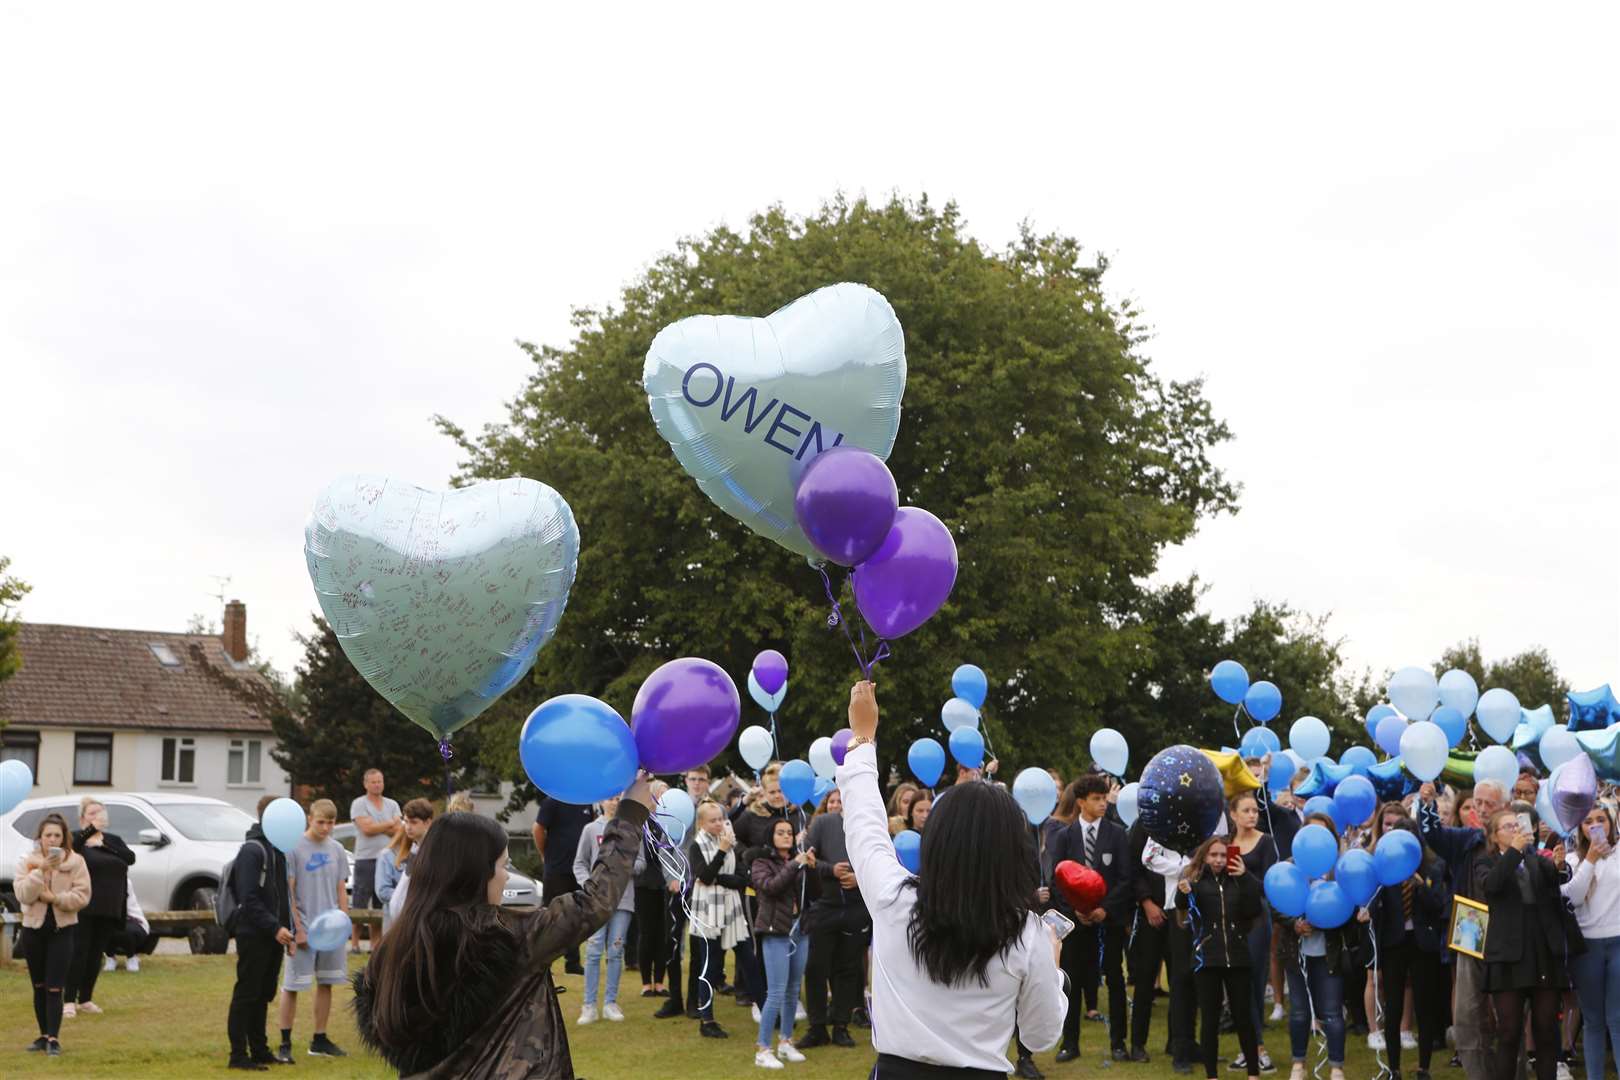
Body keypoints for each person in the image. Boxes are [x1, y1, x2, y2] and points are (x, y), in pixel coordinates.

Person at [836, 681, 1067, 1076]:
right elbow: (1041, 1035)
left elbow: (864, 825)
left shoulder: (895, 900)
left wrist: (863, 738)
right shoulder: (1026, 933)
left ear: (938, 841)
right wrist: (1053, 961)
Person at [354, 774, 654, 1078]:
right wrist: (629, 815)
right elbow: (593, 903)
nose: (506, 876)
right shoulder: (507, 936)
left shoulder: (392, 948)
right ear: (475, 872)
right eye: (501, 865)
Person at [1419, 777, 1507, 1080]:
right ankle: (1478, 1074)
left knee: (1508, 1014)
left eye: (1489, 803)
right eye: (1477, 802)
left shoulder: (1517, 837)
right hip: (1472, 925)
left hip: (1510, 933)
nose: (1481, 809)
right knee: (1469, 1013)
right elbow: (1432, 833)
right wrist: (1428, 804)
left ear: (1503, 806)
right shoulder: (1465, 839)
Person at [1477, 807, 1571, 1080]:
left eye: (1516, 826)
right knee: (1508, 1031)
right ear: (1495, 837)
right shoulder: (1486, 861)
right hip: (1507, 954)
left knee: (1545, 1028)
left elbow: (1556, 880)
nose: (1515, 830)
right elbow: (1492, 886)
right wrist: (1515, 852)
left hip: (1541, 950)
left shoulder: (1534, 860)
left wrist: (1560, 866)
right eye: (1508, 827)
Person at [1047, 771, 1131, 1063]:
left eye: (1105, 798)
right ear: (1081, 802)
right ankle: (1069, 1043)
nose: (1103, 804)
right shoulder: (1064, 837)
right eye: (1096, 799)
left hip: (1108, 923)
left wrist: (1104, 908)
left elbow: (1125, 878)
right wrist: (1076, 912)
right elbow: (1056, 879)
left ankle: (1119, 1043)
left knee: (1116, 981)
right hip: (1076, 924)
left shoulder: (1118, 834)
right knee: (1072, 982)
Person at [1364, 813, 1450, 1080]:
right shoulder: (1383, 871)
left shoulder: (1432, 868)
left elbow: (1438, 906)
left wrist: (1421, 885)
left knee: (1424, 1006)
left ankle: (1424, 1067)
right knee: (1394, 1007)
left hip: (1423, 944)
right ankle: (1394, 1068)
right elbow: (1376, 906)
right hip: (1394, 944)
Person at [1176, 834, 1262, 1080]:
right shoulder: (1195, 879)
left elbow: (1254, 908)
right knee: (1210, 1020)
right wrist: (1183, 891)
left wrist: (1244, 876)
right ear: (1204, 856)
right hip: (1207, 959)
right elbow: (1183, 907)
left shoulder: (1239, 880)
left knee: (1243, 1016)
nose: (1219, 860)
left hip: (1238, 957)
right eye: (1213, 855)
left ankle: (1253, 1073)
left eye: (1223, 855)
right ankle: (1211, 1074)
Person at [1274, 812, 1348, 1080]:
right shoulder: (1290, 867)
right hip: (1296, 953)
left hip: (1329, 952)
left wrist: (1326, 919)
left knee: (1331, 1011)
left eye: (1323, 833)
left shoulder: (1340, 871)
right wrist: (1295, 923)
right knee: (1299, 1011)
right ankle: (1298, 1064)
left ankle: (1337, 1066)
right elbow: (1276, 904)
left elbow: (1346, 908)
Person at [277, 798, 350, 1061]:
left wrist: (343, 921)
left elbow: (341, 887)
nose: (326, 828)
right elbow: (289, 891)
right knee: (292, 986)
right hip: (305, 927)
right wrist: (298, 929)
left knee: (327, 983)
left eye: (331, 823)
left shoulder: (338, 849)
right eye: (321, 822)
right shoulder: (294, 848)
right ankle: (285, 1043)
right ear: (310, 819)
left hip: (330, 929)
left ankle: (319, 1039)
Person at [226, 794, 296, 1071]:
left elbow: (282, 896)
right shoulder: (252, 850)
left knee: (263, 994)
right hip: (253, 933)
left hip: (273, 935)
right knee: (247, 992)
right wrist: (274, 926)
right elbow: (248, 897)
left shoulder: (278, 851)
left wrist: (287, 931)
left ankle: (259, 1049)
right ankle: (237, 1055)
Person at [14, 812, 91, 1057]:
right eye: (48, 835)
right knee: (39, 986)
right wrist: (40, 871)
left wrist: (56, 899)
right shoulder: (27, 861)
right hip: (33, 931)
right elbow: (23, 895)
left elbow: (82, 896)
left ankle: (54, 1039)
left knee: (55, 987)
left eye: (57, 835)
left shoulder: (76, 862)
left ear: (64, 838)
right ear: (40, 837)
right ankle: (43, 1035)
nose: (52, 840)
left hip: (62, 931)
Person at [1126, 818, 1197, 1071]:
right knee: (1145, 978)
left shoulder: (1192, 821)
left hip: (1180, 913)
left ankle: (1180, 1042)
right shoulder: (1146, 823)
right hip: (1152, 912)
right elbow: (1133, 867)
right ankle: (1137, 1043)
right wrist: (1146, 902)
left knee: (1182, 978)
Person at [802, 786, 870, 1052]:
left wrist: (859, 877)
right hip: (825, 906)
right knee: (816, 967)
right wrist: (830, 869)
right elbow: (807, 858)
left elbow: (879, 862)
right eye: (837, 800)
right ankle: (817, 1027)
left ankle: (841, 1026)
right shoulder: (822, 823)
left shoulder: (868, 826)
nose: (842, 803)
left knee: (848, 968)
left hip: (855, 908)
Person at [687, 798, 761, 1039]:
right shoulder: (696, 846)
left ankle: (766, 1007)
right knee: (710, 967)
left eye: (720, 818)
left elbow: (742, 877)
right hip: (708, 913)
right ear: (701, 824)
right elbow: (704, 875)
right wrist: (721, 852)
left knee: (749, 960)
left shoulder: (731, 841)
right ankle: (706, 1020)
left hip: (732, 910)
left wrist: (719, 878)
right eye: (713, 820)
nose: (719, 824)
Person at [572, 794, 644, 1024]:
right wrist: (589, 884)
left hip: (622, 900)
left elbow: (641, 862)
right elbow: (579, 863)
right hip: (596, 900)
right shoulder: (590, 829)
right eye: (610, 798)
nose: (614, 802)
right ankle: (589, 1005)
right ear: (600, 802)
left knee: (615, 951)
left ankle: (610, 1003)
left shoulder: (632, 830)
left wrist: (624, 869)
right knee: (593, 951)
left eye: (618, 798)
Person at [750, 817, 814, 1069]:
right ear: (771, 836)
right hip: (775, 931)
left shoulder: (797, 861)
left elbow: (813, 893)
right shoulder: (760, 862)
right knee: (776, 991)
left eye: (790, 832)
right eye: (781, 832)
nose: (787, 836)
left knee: (793, 989)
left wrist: (812, 866)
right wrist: (794, 866)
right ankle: (762, 1049)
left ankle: (786, 1042)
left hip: (800, 930)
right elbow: (771, 887)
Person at [65, 796, 135, 1017]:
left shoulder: (113, 840)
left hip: (109, 905)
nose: (97, 817)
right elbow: (71, 849)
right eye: (92, 813)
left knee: (96, 953)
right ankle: (68, 1000)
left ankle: (85, 998)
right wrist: (89, 833)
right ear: (83, 817)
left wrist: (103, 844)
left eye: (100, 812)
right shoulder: (77, 838)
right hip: (84, 905)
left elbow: (129, 858)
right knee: (79, 951)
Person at [1565, 803, 1620, 1080]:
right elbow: (1572, 898)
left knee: (1617, 1018)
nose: (1596, 825)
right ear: (1581, 827)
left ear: (1611, 822)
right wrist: (1590, 860)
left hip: (1618, 942)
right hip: (1586, 947)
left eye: (1601, 819)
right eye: (1588, 821)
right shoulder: (1574, 860)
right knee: (1593, 1020)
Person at [1228, 790, 1279, 1072]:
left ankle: (1258, 1047)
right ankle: (1245, 1047)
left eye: (1255, 811)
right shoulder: (1225, 843)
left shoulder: (1266, 843)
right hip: (1230, 921)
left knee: (1254, 983)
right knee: (1236, 986)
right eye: (1245, 811)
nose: (1251, 815)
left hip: (1257, 921)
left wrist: (1244, 874)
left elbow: (1270, 886)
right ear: (1233, 814)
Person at [534, 794, 596, 977]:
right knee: (551, 916)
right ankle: (543, 962)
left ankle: (573, 963)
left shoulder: (585, 801)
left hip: (578, 870)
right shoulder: (551, 801)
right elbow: (537, 829)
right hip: (556, 870)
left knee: (575, 917)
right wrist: (545, 854)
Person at [348, 769, 401, 953]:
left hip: (387, 859)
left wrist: (377, 825)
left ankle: (375, 944)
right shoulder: (359, 804)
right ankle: (354, 943)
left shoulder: (392, 804)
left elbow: (399, 831)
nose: (377, 784)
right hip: (365, 859)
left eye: (380, 781)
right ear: (365, 784)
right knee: (360, 902)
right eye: (373, 782)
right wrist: (388, 823)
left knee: (381, 903)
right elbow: (366, 829)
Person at [375, 797, 433, 935]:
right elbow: (383, 892)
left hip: (423, 925)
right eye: (406, 822)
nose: (408, 827)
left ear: (428, 822)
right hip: (396, 925)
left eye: (413, 822)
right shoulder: (388, 855)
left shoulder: (436, 853)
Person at [104, 886, 157, 972]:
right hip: (110, 920)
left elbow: (120, 907)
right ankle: (110, 957)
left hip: (133, 920)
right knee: (101, 929)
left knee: (125, 931)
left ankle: (131, 957)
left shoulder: (125, 882)